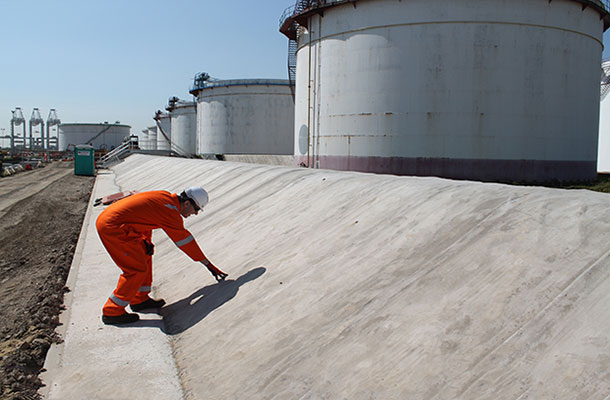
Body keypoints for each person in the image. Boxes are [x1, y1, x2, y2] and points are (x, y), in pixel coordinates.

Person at [96, 186, 227, 325]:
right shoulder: (170, 212)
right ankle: (112, 311)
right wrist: (208, 264)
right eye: (196, 210)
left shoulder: (165, 199)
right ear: (187, 203)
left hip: (121, 225)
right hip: (113, 228)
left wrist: (145, 240)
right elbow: (186, 242)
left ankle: (140, 299)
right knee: (136, 270)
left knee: (146, 255)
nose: (195, 214)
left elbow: (144, 217)